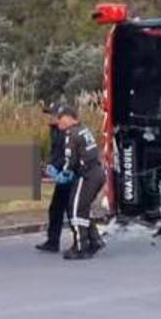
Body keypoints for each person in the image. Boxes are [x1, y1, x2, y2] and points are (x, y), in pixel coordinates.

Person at [55, 105, 106, 260]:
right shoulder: (84, 129)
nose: (58, 123)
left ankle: (80, 247)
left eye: (60, 119)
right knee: (82, 208)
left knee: (75, 209)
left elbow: (70, 160)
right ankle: (95, 240)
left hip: (87, 176)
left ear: (68, 118)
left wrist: (62, 174)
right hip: (96, 172)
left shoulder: (72, 134)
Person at [35, 104, 73, 253]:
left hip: (70, 174)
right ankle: (53, 242)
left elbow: (68, 154)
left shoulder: (68, 132)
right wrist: (50, 166)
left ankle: (88, 240)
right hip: (60, 173)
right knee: (56, 209)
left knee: (73, 210)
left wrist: (58, 169)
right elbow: (55, 151)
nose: (50, 118)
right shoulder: (55, 130)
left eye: (52, 115)